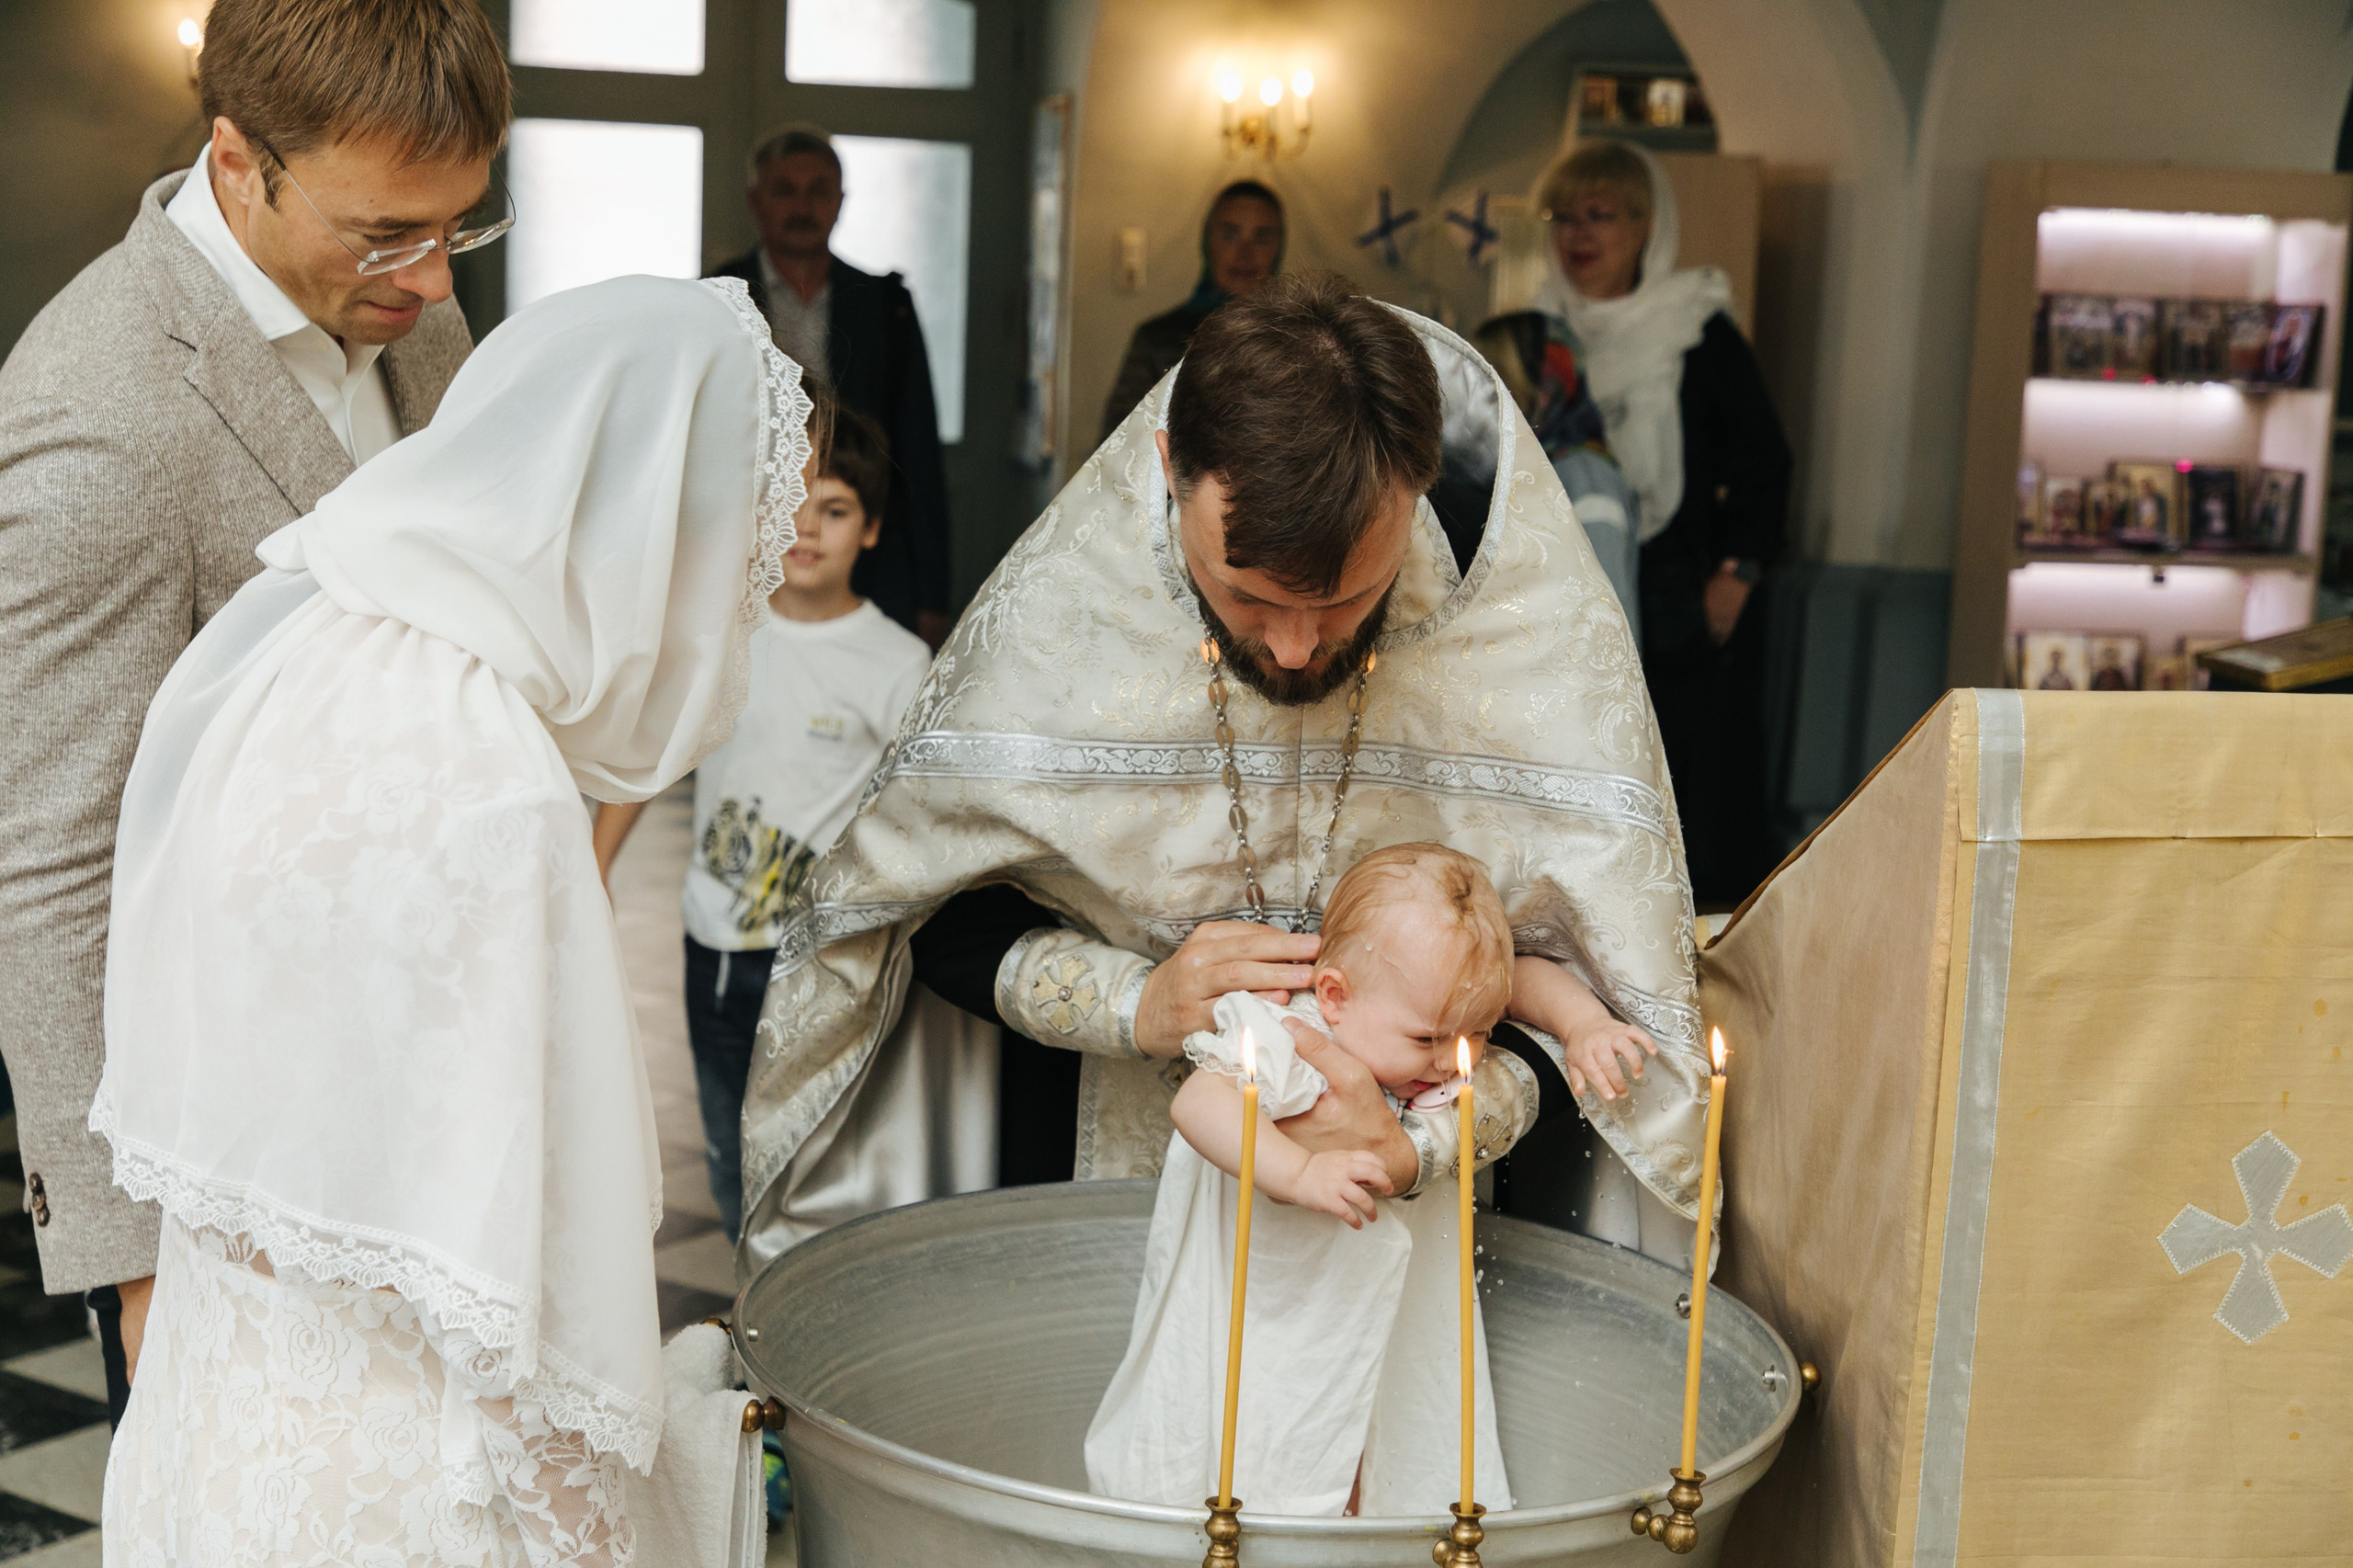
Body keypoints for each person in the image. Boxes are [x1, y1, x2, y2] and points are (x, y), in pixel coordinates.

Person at [739, 272, 1713, 1283]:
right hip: (1102, 1199)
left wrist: (1421, 1143)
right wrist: (1136, 1002)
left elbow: (1593, 983)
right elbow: (919, 916)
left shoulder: (1512, 643)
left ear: (1416, 490)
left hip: (1409, 1244)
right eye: (1247, 596)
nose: (1294, 650)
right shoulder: (1055, 632)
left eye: (1347, 601)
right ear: (1170, 468)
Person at [90, 274, 816, 1560]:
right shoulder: (491, 783)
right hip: (397, 1504)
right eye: (730, 552)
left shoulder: (302, 631)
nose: (735, 607)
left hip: (208, 1447)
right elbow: (518, 1313)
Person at [0, 0, 507, 1426]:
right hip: (230, 1147)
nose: (431, 278)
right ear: (238, 161)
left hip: (440, 1083)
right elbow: (49, 869)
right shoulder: (101, 411)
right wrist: (130, 1267)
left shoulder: (413, 303)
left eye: (460, 227)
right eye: (387, 235)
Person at [1086, 844, 1529, 1518]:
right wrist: (1299, 1171)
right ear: (1335, 996)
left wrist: (1581, 1024)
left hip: (1387, 1286)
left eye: (1480, 1032)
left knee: (1388, 1427)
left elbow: (1529, 979)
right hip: (1276, 1289)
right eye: (1428, 1039)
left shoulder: (1430, 1019)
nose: (1453, 1062)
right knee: (1269, 1433)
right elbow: (1199, 1104)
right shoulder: (1289, 1033)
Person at [592, 410, 937, 1241]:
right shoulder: (721, 637)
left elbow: (922, 816)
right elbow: (651, 759)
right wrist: (592, 872)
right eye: (793, 503)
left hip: (827, 963)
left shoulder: (897, 665)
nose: (807, 529)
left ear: (872, 528)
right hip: (716, 946)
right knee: (729, 1151)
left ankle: (809, 1303)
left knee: (816, 1156)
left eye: (836, 509)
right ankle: (751, 1299)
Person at [1531, 139, 1793, 907]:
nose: (1580, 234)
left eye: (1601, 215)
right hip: (1570, 598)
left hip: (1684, 604)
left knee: (1690, 800)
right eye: (1565, 217)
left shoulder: (1693, 329)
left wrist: (1737, 574)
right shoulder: (1542, 335)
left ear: (1646, 227)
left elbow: (1766, 461)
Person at [710, 123, 953, 649]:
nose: (802, 207)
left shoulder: (885, 304)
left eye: (818, 191)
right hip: (743, 545)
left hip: (867, 549)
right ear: (756, 202)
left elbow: (917, 449)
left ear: (840, 203)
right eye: (785, 190)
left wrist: (931, 593)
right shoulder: (718, 298)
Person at [1098, 180, 1285, 442]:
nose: (1245, 254)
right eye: (1230, 235)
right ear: (1208, 241)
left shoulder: (1298, 341)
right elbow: (1120, 447)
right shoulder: (1156, 340)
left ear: (1279, 248)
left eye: (1261, 239)